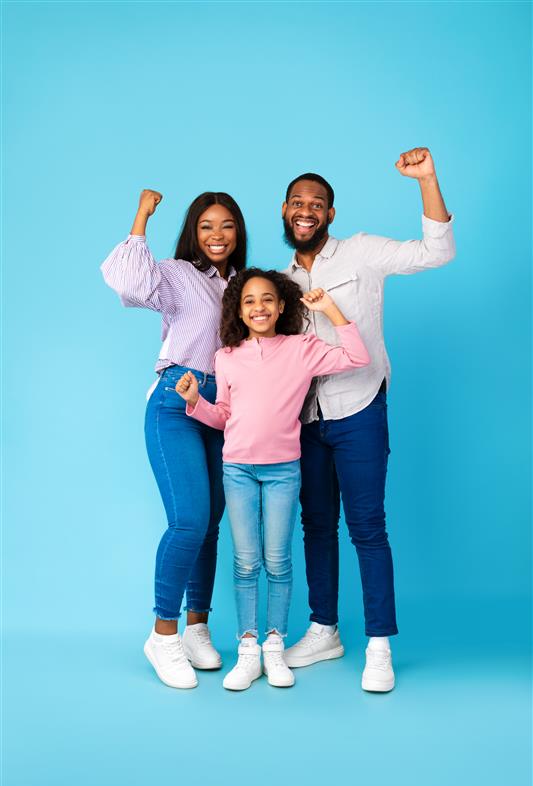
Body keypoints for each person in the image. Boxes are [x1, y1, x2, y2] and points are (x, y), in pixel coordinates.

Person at [281, 147, 456, 691]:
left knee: (367, 527)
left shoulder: (362, 253)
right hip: (305, 419)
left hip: (359, 405)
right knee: (315, 527)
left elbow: (437, 251)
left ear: (330, 214)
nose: (305, 210)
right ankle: (323, 629)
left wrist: (426, 179)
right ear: (285, 210)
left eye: (317, 203)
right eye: (297, 202)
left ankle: (379, 644)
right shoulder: (280, 280)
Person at [175, 269, 370, 690]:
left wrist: (331, 309)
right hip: (238, 470)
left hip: (284, 470)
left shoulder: (302, 348)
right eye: (248, 301)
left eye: (267, 299)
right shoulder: (226, 356)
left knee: (278, 562)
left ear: (282, 305)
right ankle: (248, 651)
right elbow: (224, 417)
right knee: (246, 563)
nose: (258, 307)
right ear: (239, 311)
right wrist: (195, 402)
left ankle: (274, 648)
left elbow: (357, 357)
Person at [101, 189, 247, 689]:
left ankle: (196, 627)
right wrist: (141, 214)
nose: (217, 236)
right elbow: (127, 282)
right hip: (175, 400)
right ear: (193, 232)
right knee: (188, 520)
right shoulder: (179, 273)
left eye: (226, 226)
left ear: (238, 232)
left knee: (209, 525)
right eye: (206, 226)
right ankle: (162, 635)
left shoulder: (243, 287)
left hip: (223, 412)